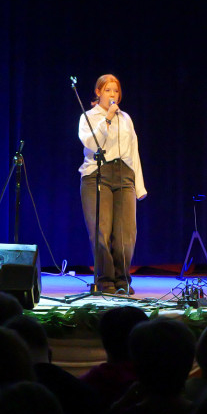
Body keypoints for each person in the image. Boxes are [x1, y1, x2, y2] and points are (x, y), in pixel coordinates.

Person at [78, 73, 146, 295]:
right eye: (108, 90)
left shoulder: (126, 118)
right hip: (97, 174)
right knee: (101, 230)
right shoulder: (88, 117)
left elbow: (133, 151)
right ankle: (105, 280)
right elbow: (91, 143)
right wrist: (107, 118)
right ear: (98, 93)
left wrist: (139, 186)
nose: (113, 95)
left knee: (126, 233)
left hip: (124, 174)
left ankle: (122, 280)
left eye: (116, 91)